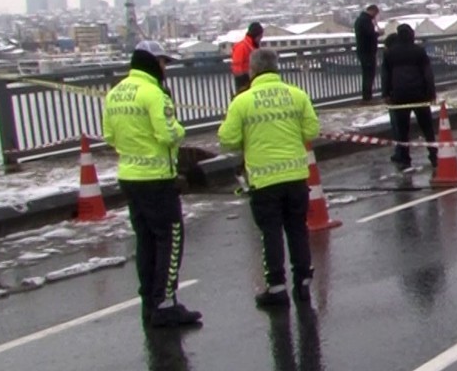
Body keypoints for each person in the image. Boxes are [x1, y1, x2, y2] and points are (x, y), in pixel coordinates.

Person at [102, 39, 201, 328]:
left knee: (145, 240)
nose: (165, 67)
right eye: (163, 62)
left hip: (129, 177)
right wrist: (180, 128)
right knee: (170, 240)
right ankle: (166, 302)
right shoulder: (154, 94)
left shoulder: (116, 93)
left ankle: (149, 300)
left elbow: (109, 136)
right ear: (152, 62)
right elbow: (169, 135)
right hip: (157, 179)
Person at [217, 48, 322, 308]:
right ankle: (303, 280)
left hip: (263, 180)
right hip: (296, 176)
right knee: (297, 228)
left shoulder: (242, 101)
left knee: (271, 232)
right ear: (277, 68)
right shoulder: (297, 95)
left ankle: (276, 287)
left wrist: (248, 137)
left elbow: (227, 139)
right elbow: (312, 130)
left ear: (252, 70)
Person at [380, 23, 439, 171]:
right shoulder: (419, 51)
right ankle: (433, 156)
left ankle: (405, 159)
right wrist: (431, 94)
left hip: (399, 96)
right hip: (420, 95)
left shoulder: (390, 53)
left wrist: (386, 94)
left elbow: (385, 76)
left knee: (402, 130)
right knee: (427, 129)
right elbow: (428, 74)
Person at [354, 4, 381, 103]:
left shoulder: (361, 19)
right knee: (369, 74)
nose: (375, 16)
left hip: (363, 51)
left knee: (367, 74)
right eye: (375, 13)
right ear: (372, 11)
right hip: (367, 51)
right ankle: (367, 97)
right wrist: (378, 33)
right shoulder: (365, 20)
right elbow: (369, 35)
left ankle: (367, 96)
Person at [230, 22, 265, 93]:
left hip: (254, 80)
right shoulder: (242, 47)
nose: (260, 38)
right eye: (260, 36)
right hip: (244, 83)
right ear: (255, 35)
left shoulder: (253, 46)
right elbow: (238, 69)